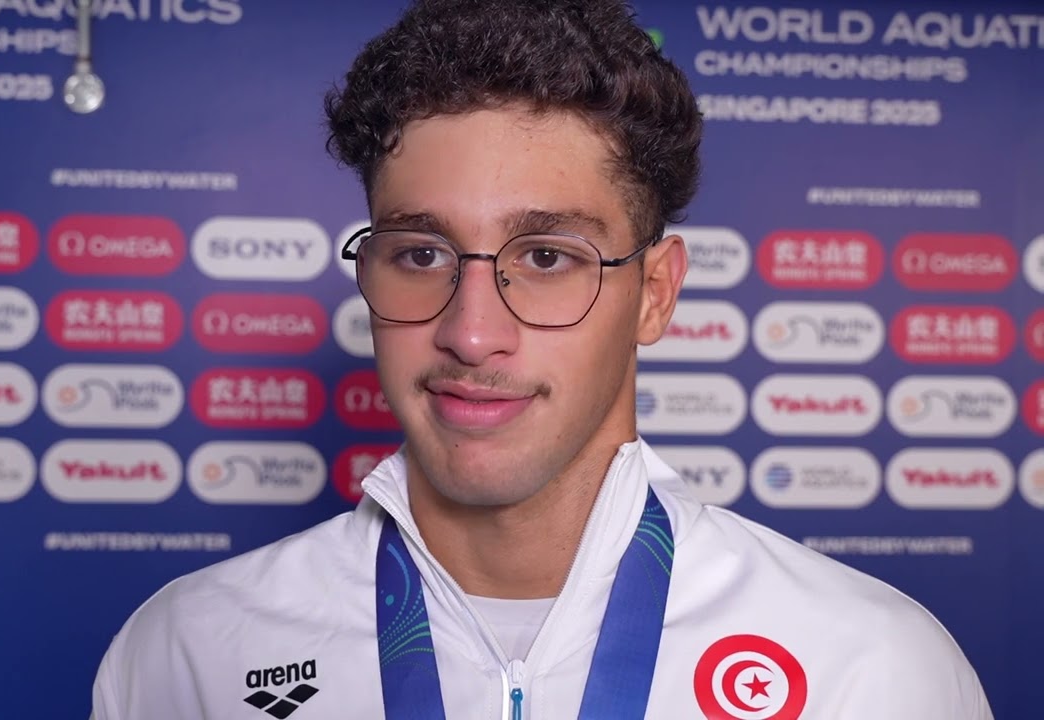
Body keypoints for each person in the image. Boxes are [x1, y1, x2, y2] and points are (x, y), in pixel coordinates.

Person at [90, 0, 993, 717]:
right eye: (420, 253)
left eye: (549, 257)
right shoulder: (188, 653)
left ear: (655, 294)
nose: (472, 332)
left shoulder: (867, 668)